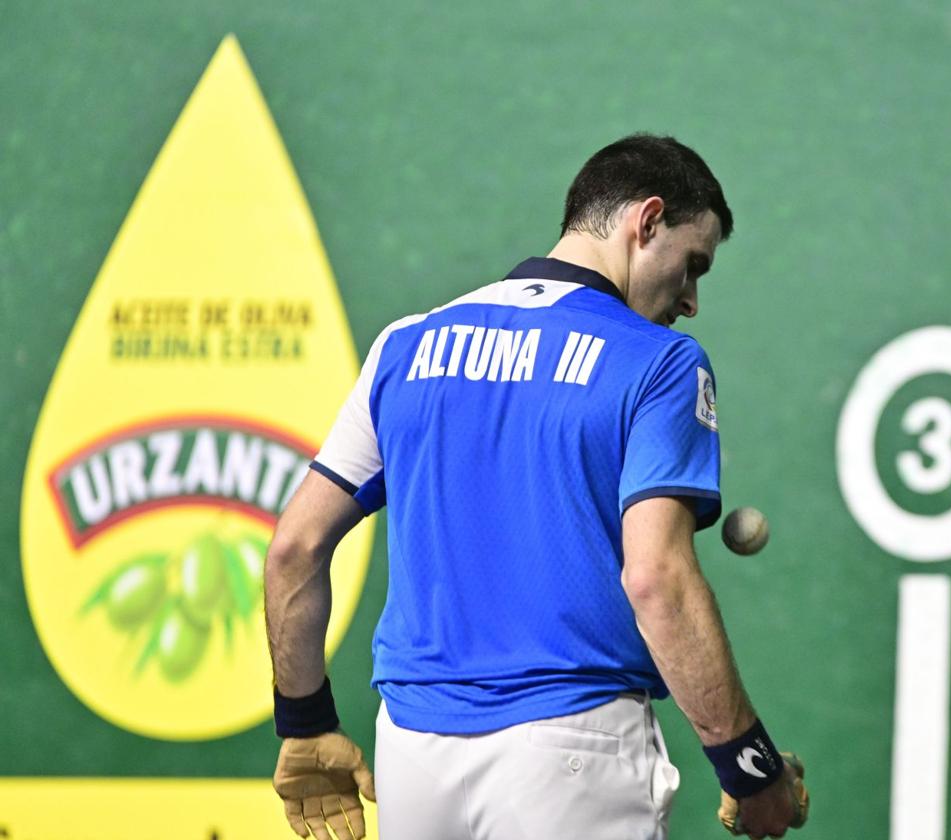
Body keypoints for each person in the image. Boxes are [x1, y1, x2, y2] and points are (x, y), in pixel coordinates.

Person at [265, 134, 806, 840]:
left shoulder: (407, 344)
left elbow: (294, 551)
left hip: (413, 756)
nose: (692, 300)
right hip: (573, 753)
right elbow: (656, 580)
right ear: (646, 222)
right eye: (692, 264)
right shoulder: (660, 362)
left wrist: (304, 726)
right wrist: (749, 767)